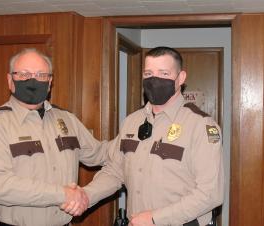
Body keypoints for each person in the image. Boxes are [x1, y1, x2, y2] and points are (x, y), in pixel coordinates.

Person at [64, 46, 224, 226]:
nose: (154, 80)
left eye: (164, 73)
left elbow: (210, 193)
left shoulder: (201, 125)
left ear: (181, 78)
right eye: (148, 74)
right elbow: (115, 171)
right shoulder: (131, 122)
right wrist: (86, 195)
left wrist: (156, 219)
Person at [0, 48, 108, 226]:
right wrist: (63, 194)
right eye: (24, 74)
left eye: (41, 75)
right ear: (10, 80)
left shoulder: (67, 119)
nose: (32, 80)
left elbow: (101, 154)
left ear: (50, 81)